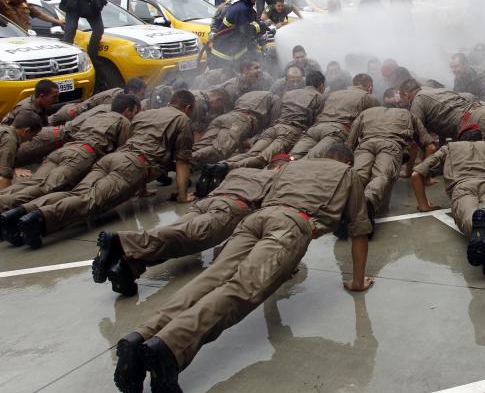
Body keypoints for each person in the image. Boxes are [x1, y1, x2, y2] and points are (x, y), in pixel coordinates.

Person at [112, 146, 372, 393]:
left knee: (210, 279)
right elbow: (360, 230)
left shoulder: (294, 167)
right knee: (241, 288)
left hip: (257, 219)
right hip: (291, 226)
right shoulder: (348, 174)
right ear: (347, 162)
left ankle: (140, 337)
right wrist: (357, 281)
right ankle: (169, 348)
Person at [6, 90, 196, 250]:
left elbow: (133, 142)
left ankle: (19, 212)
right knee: (89, 201)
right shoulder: (182, 120)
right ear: (187, 107)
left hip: (111, 158)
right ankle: (38, 220)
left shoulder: (145, 114)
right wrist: (182, 195)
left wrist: (143, 190)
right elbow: (182, 161)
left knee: (75, 193)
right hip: (133, 165)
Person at [94, 155, 289, 297]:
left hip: (206, 203)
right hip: (230, 209)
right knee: (185, 237)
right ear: (281, 168)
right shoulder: (278, 180)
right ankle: (121, 242)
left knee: (176, 237)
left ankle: (129, 266)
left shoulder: (242, 170)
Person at [0, 94, 138, 232]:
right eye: (135, 113)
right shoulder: (123, 122)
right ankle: (6, 207)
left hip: (63, 150)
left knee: (34, 183)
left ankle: (4, 201)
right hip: (80, 155)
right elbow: (120, 156)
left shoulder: (97, 115)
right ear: (127, 111)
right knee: (47, 188)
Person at [411, 123, 485, 275]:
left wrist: (424, 205)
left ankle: (482, 234)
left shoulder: (450, 148)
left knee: (468, 216)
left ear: (460, 138)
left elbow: (416, 174)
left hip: (462, 188)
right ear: (481, 138)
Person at [347, 88, 436, 214]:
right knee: (381, 176)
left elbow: (349, 143)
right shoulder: (408, 115)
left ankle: (347, 204)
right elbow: (430, 146)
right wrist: (425, 176)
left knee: (358, 175)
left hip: (366, 145)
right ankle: (368, 202)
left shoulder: (367, 112)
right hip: (390, 146)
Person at [289, 73, 379, 158]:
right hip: (336, 131)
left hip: (316, 128)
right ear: (370, 87)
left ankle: (280, 170)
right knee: (311, 159)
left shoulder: (334, 93)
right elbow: (376, 122)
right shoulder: (368, 97)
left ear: (353, 84)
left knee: (291, 157)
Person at [208, 0, 270, 71]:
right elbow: (246, 31)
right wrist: (261, 28)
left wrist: (263, 42)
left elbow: (255, 23)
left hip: (237, 52)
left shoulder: (248, 8)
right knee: (224, 81)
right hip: (223, 55)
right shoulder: (240, 8)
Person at [49, 77, 147, 126]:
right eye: (141, 94)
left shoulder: (122, 96)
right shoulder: (114, 101)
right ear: (131, 91)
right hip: (72, 113)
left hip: (77, 112)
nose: (142, 97)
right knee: (45, 125)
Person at [0, 111, 42, 191]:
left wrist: (13, 169)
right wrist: (10, 199)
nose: (30, 140)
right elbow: (4, 176)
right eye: (32, 135)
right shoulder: (10, 140)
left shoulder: (4, 129)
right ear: (26, 131)